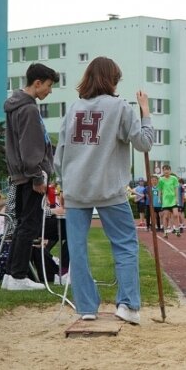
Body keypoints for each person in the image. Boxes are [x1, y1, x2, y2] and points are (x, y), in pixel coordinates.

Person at [54, 56, 153, 323]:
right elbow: (143, 143)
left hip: (76, 188)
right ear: (112, 80)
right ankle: (128, 305)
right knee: (125, 245)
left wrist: (62, 184)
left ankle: (86, 307)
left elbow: (59, 153)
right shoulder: (120, 107)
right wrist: (146, 113)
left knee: (77, 248)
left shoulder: (73, 108)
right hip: (109, 188)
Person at [3, 63, 59, 291]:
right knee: (30, 226)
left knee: (23, 225)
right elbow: (29, 147)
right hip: (30, 175)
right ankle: (17, 276)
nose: (50, 91)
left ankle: (11, 274)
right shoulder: (29, 109)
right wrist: (38, 176)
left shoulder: (16, 106)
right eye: (48, 85)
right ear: (37, 83)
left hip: (21, 174)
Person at [157, 165, 181, 237]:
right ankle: (165, 231)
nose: (166, 171)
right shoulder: (161, 180)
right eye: (164, 170)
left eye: (167, 170)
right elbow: (159, 190)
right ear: (163, 171)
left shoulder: (174, 178)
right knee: (166, 216)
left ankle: (177, 230)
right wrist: (159, 198)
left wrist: (177, 198)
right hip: (165, 200)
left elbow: (176, 189)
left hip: (173, 199)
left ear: (170, 171)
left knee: (176, 215)